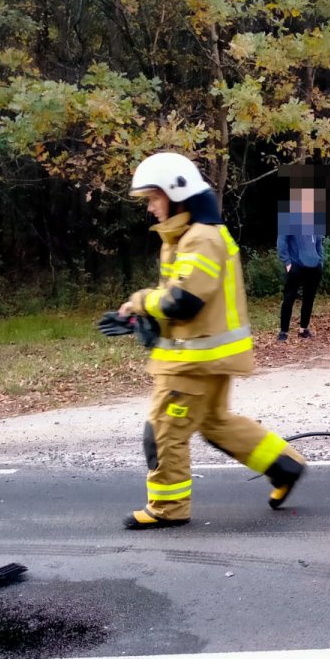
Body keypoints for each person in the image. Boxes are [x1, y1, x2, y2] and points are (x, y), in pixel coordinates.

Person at [118, 152, 306, 529]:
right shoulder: (188, 236)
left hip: (192, 361)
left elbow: (183, 300)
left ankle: (168, 509)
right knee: (216, 423)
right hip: (202, 354)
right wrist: (143, 316)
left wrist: (140, 301)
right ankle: (285, 465)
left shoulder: (200, 239)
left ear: (176, 194)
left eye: (154, 198)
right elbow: (180, 296)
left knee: (163, 430)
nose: (151, 207)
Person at [276, 187, 324, 341]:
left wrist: (320, 260)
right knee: (289, 298)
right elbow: (281, 242)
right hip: (296, 265)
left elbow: (319, 243)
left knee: (309, 298)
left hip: (313, 266)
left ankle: (304, 328)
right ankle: (283, 331)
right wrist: (287, 262)